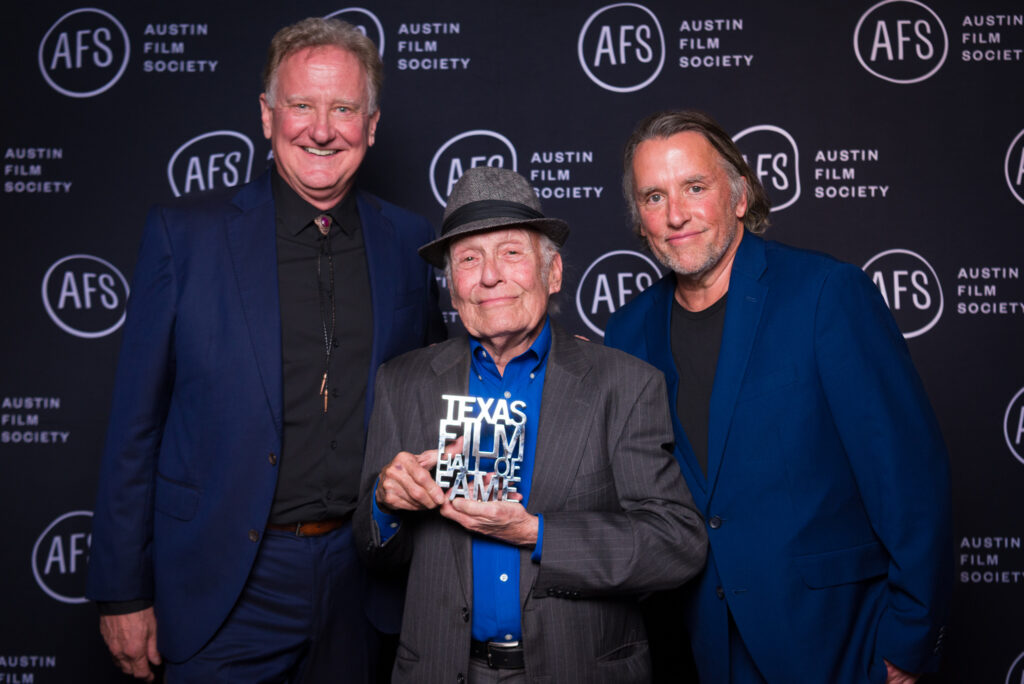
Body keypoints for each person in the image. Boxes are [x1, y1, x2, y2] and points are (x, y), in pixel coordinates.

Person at [86, 17, 445, 682]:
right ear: (266, 115)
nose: (321, 129)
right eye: (301, 105)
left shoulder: (407, 240)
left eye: (344, 109)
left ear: (371, 125)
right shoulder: (185, 239)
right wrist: (122, 591)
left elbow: (434, 389)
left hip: (360, 579)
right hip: (224, 582)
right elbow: (136, 425)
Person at [603, 110, 952, 684]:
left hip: (834, 642)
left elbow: (909, 481)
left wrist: (908, 644)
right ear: (640, 220)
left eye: (695, 187)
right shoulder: (627, 332)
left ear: (740, 195)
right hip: (694, 648)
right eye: (654, 197)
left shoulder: (825, 294)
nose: (676, 214)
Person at [351, 166, 708, 684]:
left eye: (511, 253)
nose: (490, 276)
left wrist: (535, 533)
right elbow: (371, 552)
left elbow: (676, 544)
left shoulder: (624, 385)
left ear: (553, 273)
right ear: (452, 287)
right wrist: (386, 504)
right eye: (469, 259)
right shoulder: (402, 383)